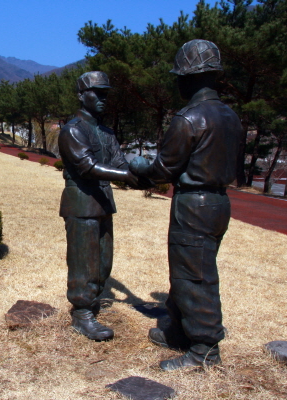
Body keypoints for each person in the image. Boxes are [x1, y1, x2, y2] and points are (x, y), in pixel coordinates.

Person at [131, 39, 241, 370]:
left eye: (179, 75)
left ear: (191, 77)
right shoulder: (230, 116)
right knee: (186, 270)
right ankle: (180, 330)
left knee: (195, 275)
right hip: (219, 204)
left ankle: (205, 349)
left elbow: (162, 170)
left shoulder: (189, 118)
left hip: (194, 204)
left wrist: (135, 165)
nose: (176, 81)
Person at [59, 71, 147, 341]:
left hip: (103, 203)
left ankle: (93, 301)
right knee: (84, 260)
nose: (102, 99)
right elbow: (87, 166)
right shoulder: (72, 130)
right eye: (97, 93)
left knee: (103, 260)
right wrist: (127, 176)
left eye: (106, 94)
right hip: (82, 202)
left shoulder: (107, 133)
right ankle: (82, 312)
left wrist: (148, 172)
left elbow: (120, 164)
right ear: (82, 95)